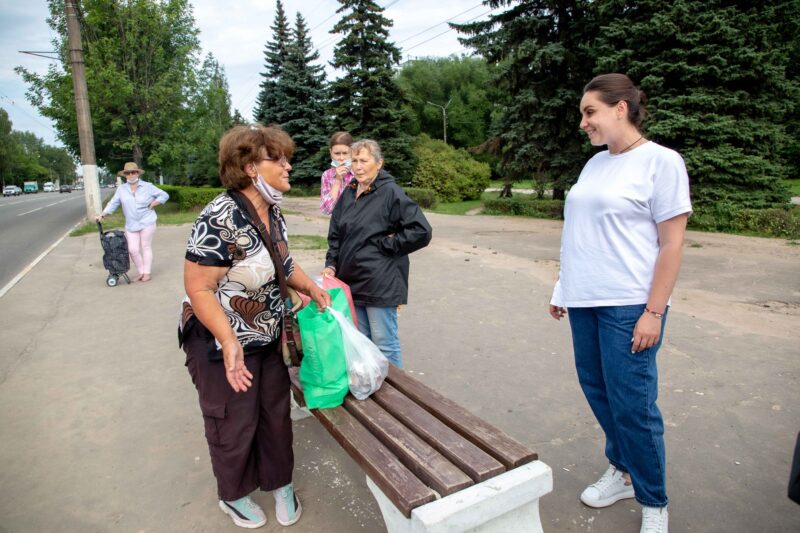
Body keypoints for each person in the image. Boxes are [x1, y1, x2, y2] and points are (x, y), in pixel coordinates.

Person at [549, 73, 692, 533]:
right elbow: (579, 233)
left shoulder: (662, 162)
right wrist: (562, 286)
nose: (583, 123)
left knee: (633, 404)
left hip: (630, 305)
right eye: (581, 114)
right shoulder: (594, 165)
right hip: (584, 300)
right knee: (599, 393)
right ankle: (623, 470)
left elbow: (671, 245)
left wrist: (653, 312)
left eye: (589, 112)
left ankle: (654, 500)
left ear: (621, 109)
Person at [179, 124, 330, 529]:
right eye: (276, 158)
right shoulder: (219, 216)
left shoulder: (272, 208)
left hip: (265, 334)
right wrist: (228, 340)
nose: (287, 164)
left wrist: (311, 288)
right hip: (218, 342)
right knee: (233, 419)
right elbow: (199, 287)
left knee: (274, 414)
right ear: (249, 167)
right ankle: (234, 495)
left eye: (286, 156)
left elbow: (283, 260)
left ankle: (280, 483)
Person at [322, 139, 432, 368]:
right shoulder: (350, 192)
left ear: (379, 163)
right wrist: (332, 262)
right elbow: (336, 233)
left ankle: (396, 396)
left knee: (384, 343)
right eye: (354, 160)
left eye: (364, 160)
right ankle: (374, 390)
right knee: (362, 341)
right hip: (351, 280)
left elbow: (421, 231)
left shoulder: (390, 192)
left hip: (381, 280)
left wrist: (387, 245)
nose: (358, 166)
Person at [95, 162, 169, 282]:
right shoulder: (121, 189)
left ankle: (147, 273)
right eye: (128, 173)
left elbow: (164, 195)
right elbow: (113, 203)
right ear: (125, 175)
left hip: (147, 221)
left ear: (137, 173)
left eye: (133, 172)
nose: (131, 175)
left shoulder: (147, 186)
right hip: (131, 224)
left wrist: (154, 203)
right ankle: (141, 271)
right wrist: (103, 214)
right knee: (132, 250)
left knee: (145, 246)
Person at [319, 131, 354, 214]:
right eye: (337, 153)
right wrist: (338, 180)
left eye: (345, 153)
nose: (341, 158)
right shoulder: (327, 175)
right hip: (337, 224)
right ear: (330, 152)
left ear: (352, 152)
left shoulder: (359, 172)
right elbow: (326, 210)